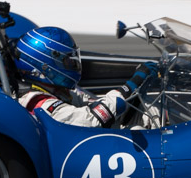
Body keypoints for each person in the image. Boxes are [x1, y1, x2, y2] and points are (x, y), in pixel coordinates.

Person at [13, 26, 157, 128]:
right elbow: (92, 120)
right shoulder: (39, 103)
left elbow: (92, 102)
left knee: (150, 113)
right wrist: (131, 84)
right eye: (67, 61)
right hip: (71, 153)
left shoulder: (58, 90)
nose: (72, 64)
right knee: (138, 133)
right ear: (45, 67)